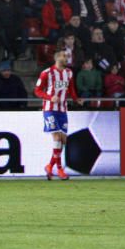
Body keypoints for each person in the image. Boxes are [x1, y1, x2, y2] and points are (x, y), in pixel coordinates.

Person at [34, 48, 82, 181]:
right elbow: (37, 91)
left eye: (67, 56)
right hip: (50, 109)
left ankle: (50, 166)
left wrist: (76, 99)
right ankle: (60, 169)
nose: (66, 58)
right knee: (56, 136)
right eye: (64, 56)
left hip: (62, 109)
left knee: (63, 140)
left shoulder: (69, 73)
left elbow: (71, 88)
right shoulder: (46, 73)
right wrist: (50, 97)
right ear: (57, 58)